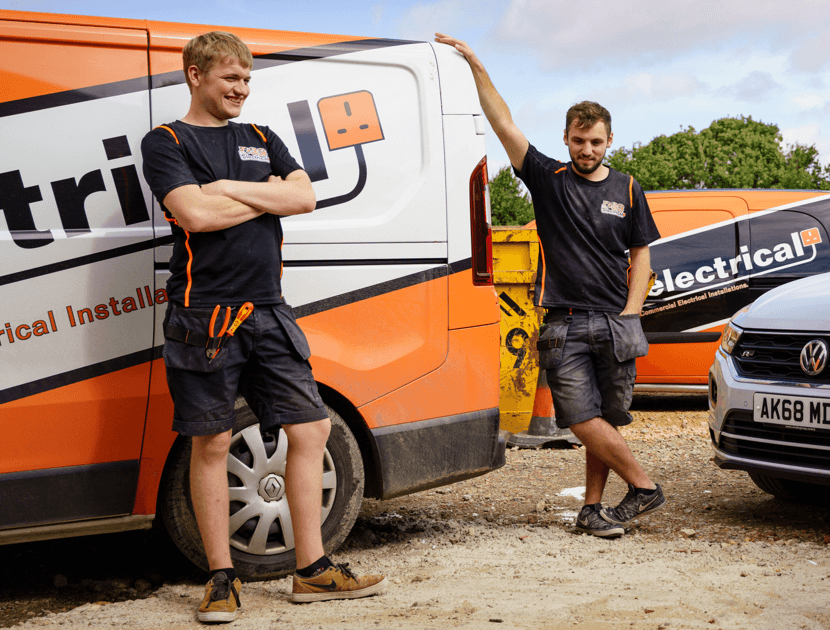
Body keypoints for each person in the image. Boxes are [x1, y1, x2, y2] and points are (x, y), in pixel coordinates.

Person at [140, 32, 386, 623]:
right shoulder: (165, 141)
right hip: (205, 315)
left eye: (247, 80)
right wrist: (261, 196)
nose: (242, 90)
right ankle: (221, 579)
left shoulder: (261, 137)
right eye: (230, 79)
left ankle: (312, 570)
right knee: (214, 442)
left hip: (270, 311)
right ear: (195, 75)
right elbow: (194, 215)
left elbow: (303, 198)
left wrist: (228, 190)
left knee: (310, 431)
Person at [434, 33, 665, 538]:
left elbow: (642, 252)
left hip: (616, 322)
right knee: (581, 420)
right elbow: (502, 122)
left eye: (596, 141)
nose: (587, 149)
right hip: (564, 321)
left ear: (609, 141)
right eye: (579, 140)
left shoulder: (627, 187)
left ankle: (592, 509)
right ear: (566, 139)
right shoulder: (547, 176)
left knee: (604, 419)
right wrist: (475, 64)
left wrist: (632, 310)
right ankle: (645, 487)